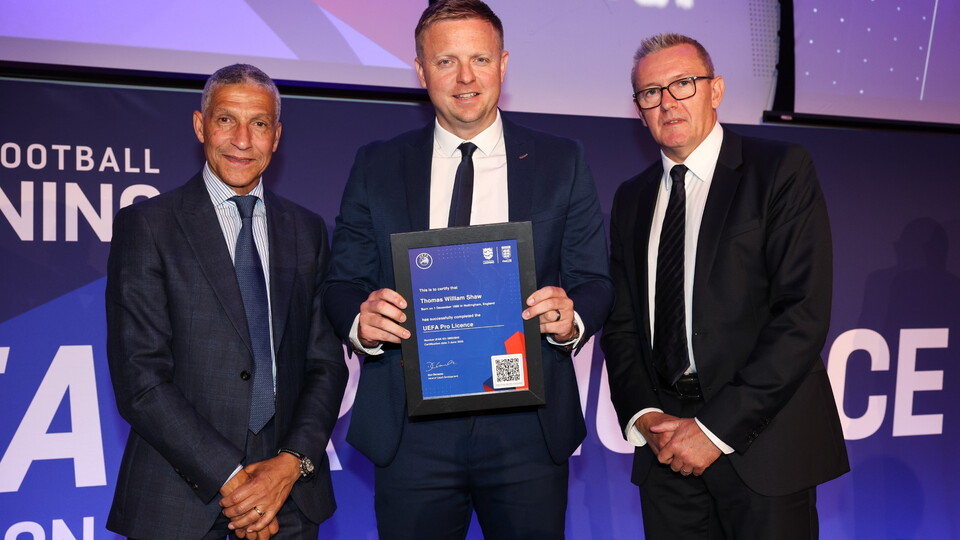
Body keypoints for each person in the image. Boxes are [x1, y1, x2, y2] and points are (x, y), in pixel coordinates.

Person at [321, 1, 613, 538]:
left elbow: (594, 279)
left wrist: (571, 320)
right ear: (420, 69)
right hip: (411, 432)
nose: (465, 78)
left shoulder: (561, 160)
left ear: (503, 64)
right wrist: (361, 324)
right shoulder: (377, 164)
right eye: (446, 61)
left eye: (479, 59)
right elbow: (342, 282)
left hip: (528, 427)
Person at [601, 33, 849, 539]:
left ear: (715, 90)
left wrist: (714, 431)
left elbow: (800, 316)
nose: (667, 102)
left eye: (683, 84)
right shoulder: (631, 198)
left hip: (763, 447)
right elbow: (621, 324)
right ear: (639, 109)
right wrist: (645, 416)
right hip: (665, 451)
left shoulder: (780, 170)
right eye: (651, 93)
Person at [105, 64, 348, 539]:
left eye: (258, 124)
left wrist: (289, 466)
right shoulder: (148, 225)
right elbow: (140, 377)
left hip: (289, 502)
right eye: (225, 120)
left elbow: (326, 364)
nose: (242, 139)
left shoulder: (306, 230)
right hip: (179, 500)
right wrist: (237, 482)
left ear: (276, 137)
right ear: (200, 126)